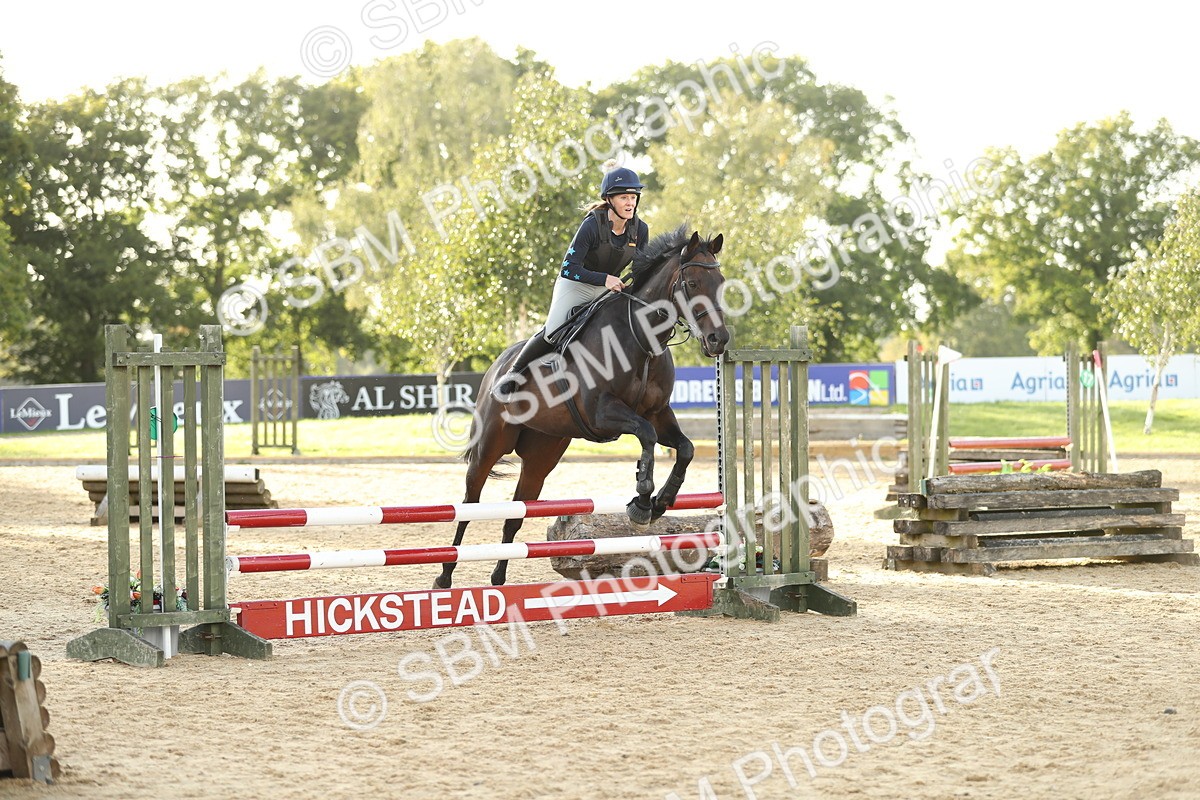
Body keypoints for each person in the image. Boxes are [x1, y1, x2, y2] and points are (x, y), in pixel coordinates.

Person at [492, 162, 650, 399]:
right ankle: (512, 375)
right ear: (609, 200)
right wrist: (605, 279)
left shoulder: (640, 229)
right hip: (576, 284)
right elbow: (569, 268)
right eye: (624, 198)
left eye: (633, 197)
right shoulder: (591, 225)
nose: (630, 203)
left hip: (608, 289)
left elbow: (640, 268)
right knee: (553, 330)